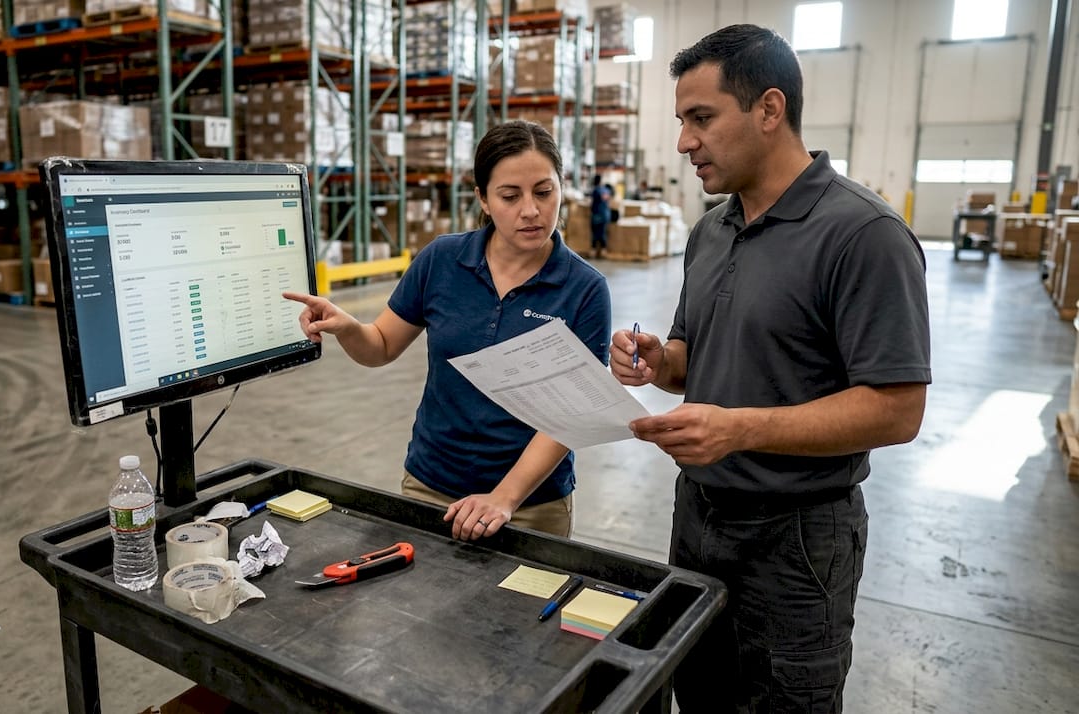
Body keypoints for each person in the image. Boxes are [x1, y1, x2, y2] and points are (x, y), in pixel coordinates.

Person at [608, 25, 930, 713]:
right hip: (697, 519)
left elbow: (898, 409)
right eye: (682, 121)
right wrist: (659, 361)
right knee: (695, 692)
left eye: (702, 118)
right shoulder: (710, 231)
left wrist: (740, 429)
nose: (684, 142)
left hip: (797, 540)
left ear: (769, 109)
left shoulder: (863, 235)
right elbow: (693, 357)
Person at [284, 120, 611, 541]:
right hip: (430, 487)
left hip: (531, 505)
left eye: (544, 192)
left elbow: (571, 413)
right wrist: (347, 327)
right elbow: (380, 346)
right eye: (510, 196)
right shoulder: (441, 260)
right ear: (484, 199)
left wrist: (504, 498)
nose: (530, 210)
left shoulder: (584, 289)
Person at [589, 174, 613, 258]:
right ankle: (603, 251)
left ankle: (593, 251)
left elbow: (592, 203)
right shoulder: (606, 190)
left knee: (595, 233)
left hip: (597, 214)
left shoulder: (595, 190)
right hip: (605, 214)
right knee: (603, 233)